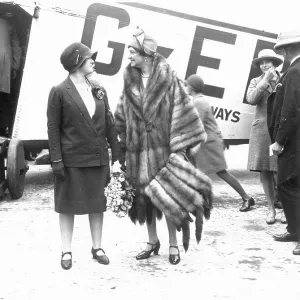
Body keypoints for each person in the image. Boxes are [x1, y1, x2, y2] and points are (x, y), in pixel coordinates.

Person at [114, 28, 206, 265]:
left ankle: (173, 244)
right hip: (137, 152)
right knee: (144, 199)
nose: (129, 56)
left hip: (163, 152)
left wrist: (180, 148)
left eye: (132, 51)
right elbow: (121, 115)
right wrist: (121, 148)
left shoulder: (170, 80)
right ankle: (152, 240)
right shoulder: (129, 81)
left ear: (146, 54)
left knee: (167, 198)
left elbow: (185, 112)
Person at [47, 42, 119, 269]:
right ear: (77, 62)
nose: (93, 61)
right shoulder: (59, 91)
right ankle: (66, 250)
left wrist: (116, 156)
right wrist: (56, 160)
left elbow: (109, 123)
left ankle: (97, 247)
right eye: (89, 58)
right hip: (71, 160)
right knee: (67, 205)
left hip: (98, 158)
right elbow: (53, 128)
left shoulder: (99, 88)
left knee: (98, 204)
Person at [185, 74, 254, 212]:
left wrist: (193, 145)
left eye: (186, 85)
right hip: (207, 142)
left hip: (209, 143)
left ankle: (246, 198)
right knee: (199, 172)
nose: (185, 87)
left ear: (192, 87)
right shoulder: (198, 101)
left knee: (221, 172)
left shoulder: (199, 102)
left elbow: (198, 127)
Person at [268, 30, 300, 255]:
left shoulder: (295, 71)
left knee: (287, 184)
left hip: (294, 142)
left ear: (287, 50)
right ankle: (294, 229)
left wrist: (279, 140)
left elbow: (290, 110)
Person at [246, 49, 286, 224]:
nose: (264, 65)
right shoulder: (256, 81)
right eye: (261, 62)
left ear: (275, 63)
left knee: (282, 169)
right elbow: (251, 99)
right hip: (261, 130)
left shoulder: (285, 78)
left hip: (280, 129)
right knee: (265, 170)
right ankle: (271, 209)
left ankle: (286, 208)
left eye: (268, 61)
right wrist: (264, 81)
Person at [0, 12, 22, 136]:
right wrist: (15, 67)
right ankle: (3, 128)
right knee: (3, 97)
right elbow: (17, 48)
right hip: (4, 66)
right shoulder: (10, 25)